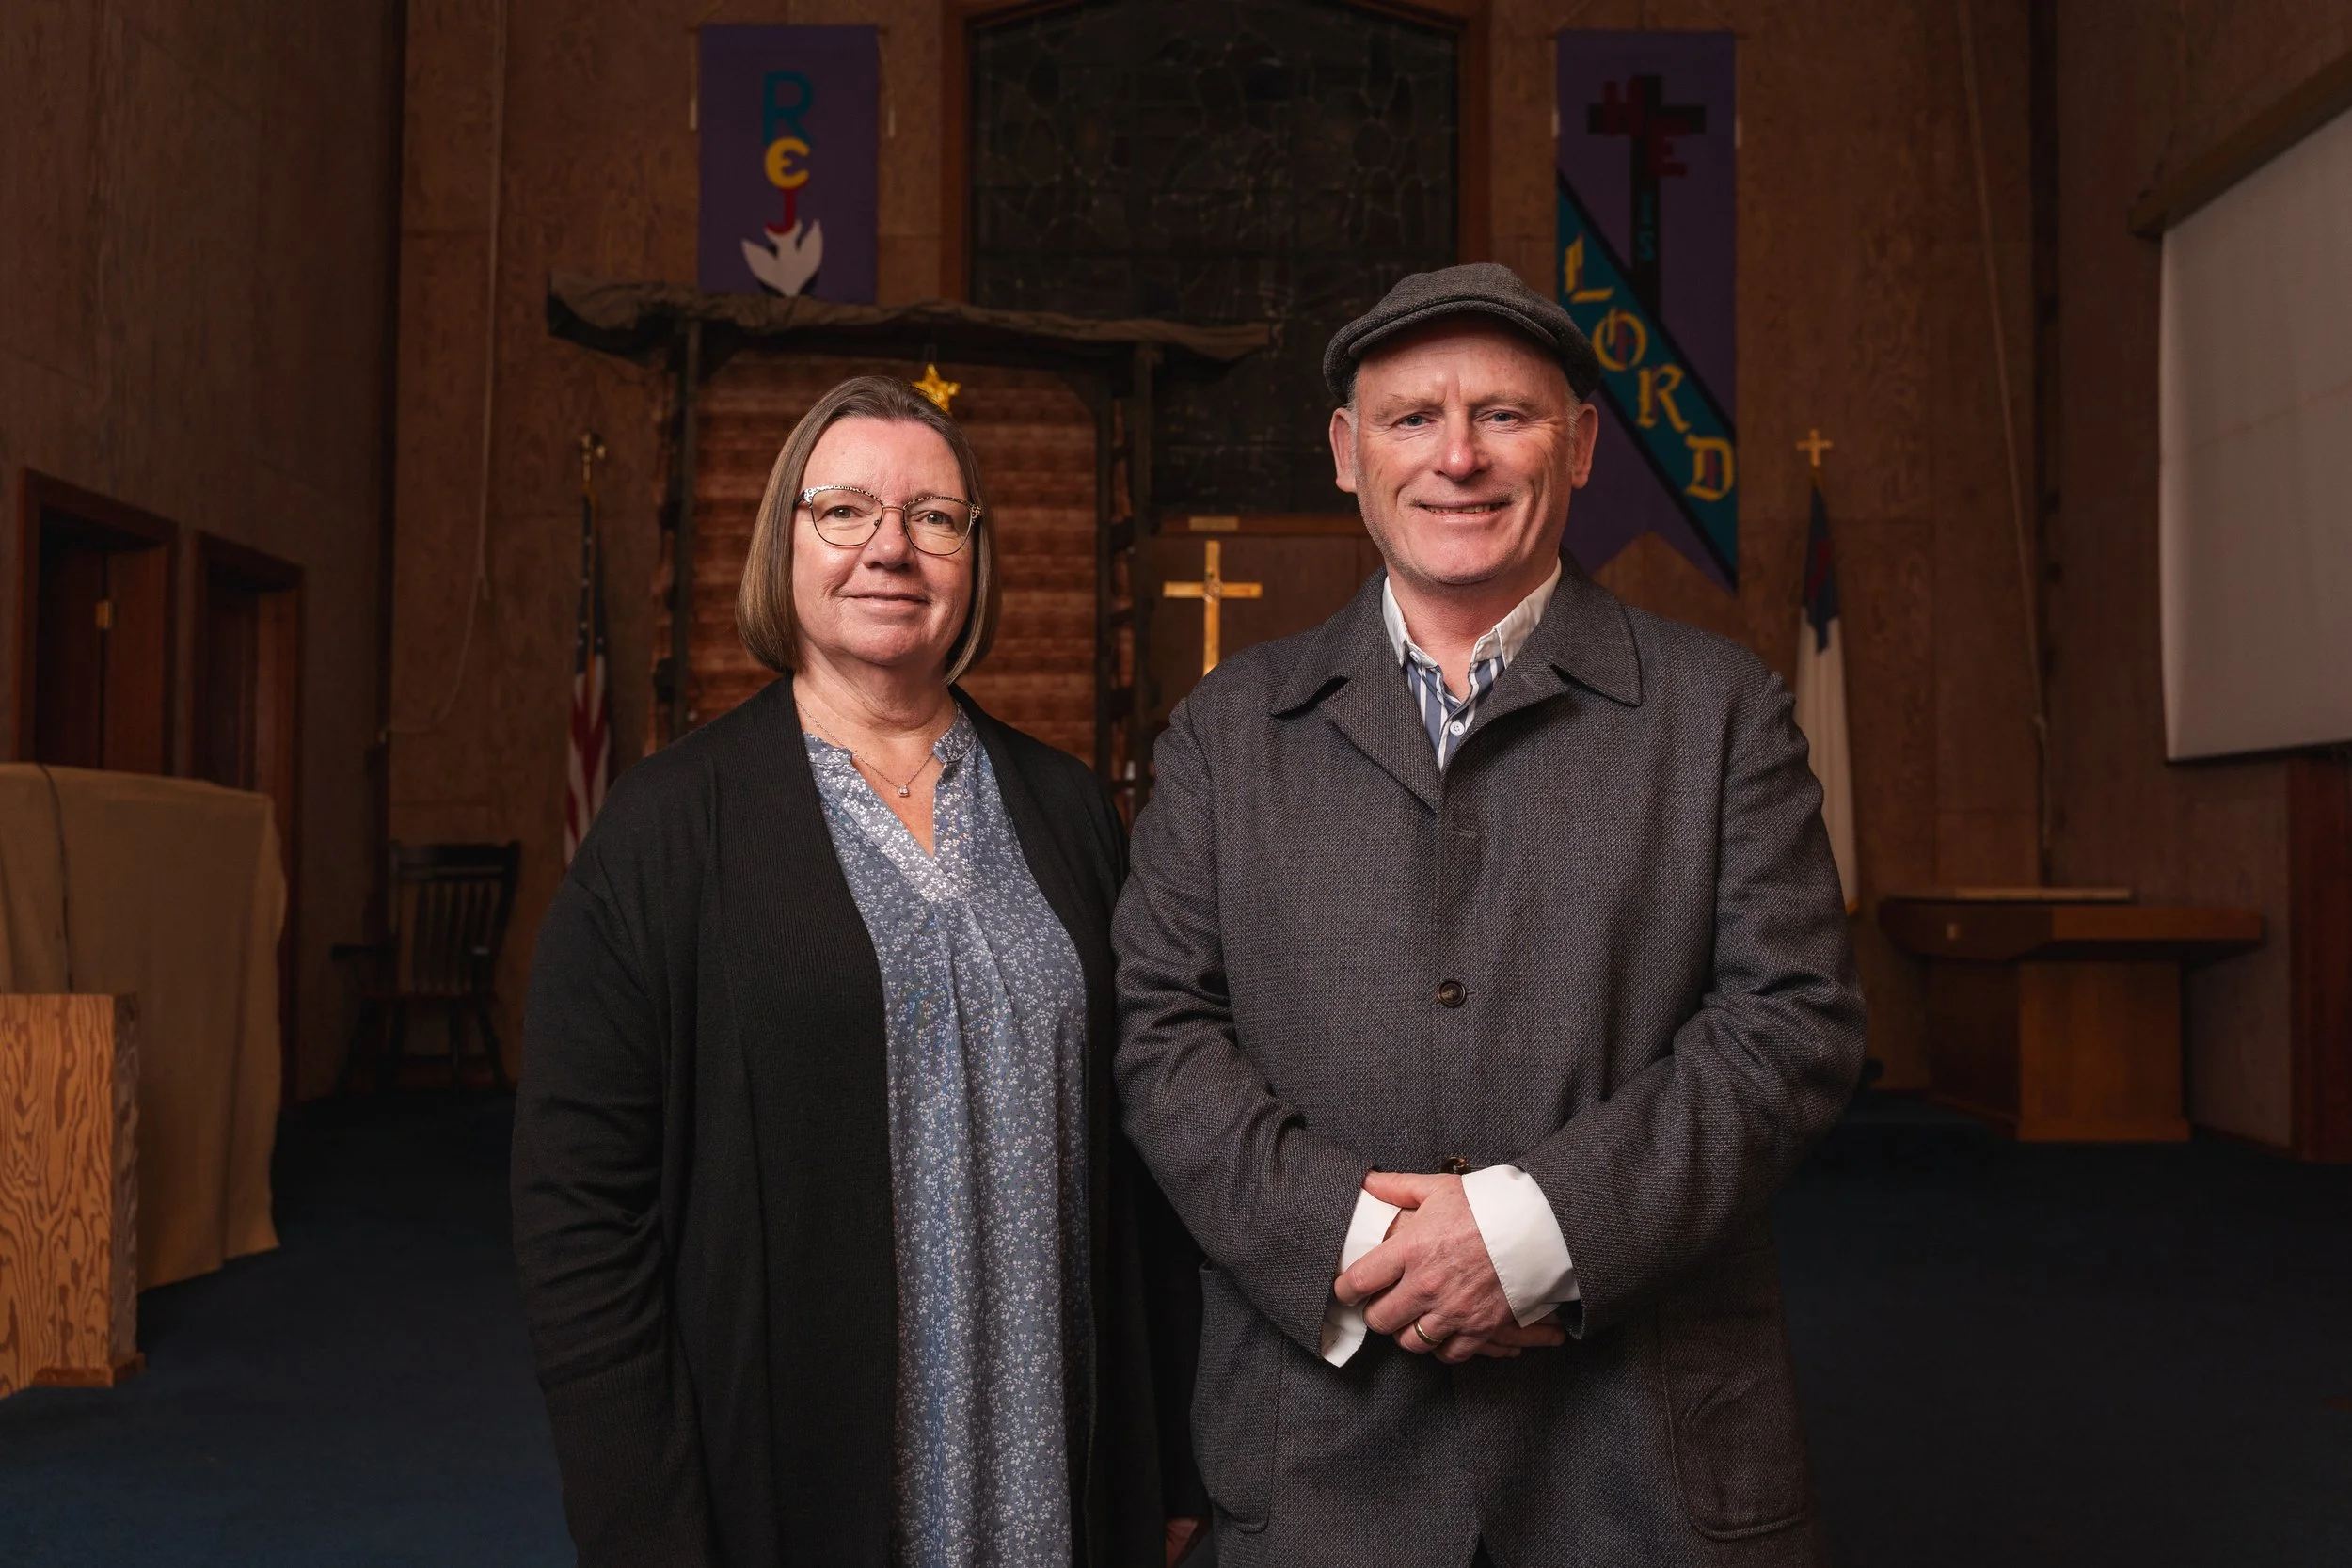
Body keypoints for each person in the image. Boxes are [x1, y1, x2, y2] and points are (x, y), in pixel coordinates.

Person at [1113, 264, 1867, 1568]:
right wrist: (1371, 1243)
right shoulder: (1228, 730)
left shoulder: (1721, 710)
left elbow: (1790, 1024)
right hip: (1323, 1446)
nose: (1456, 456)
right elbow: (1162, 1034)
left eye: (1503, 416)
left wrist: (1531, 1234)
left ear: (1577, 443)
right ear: (1348, 454)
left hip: (1640, 1452)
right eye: (1411, 418)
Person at [514, 375, 1203, 1568]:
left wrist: (1169, 1455)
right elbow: (579, 1213)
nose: (890, 545)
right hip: (788, 1480)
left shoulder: (1067, 809)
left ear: (973, 559)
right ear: (782, 540)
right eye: (844, 510)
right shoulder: (672, 827)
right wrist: (645, 1524)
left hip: (1052, 1463)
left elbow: (1147, 1153)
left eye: (935, 517)